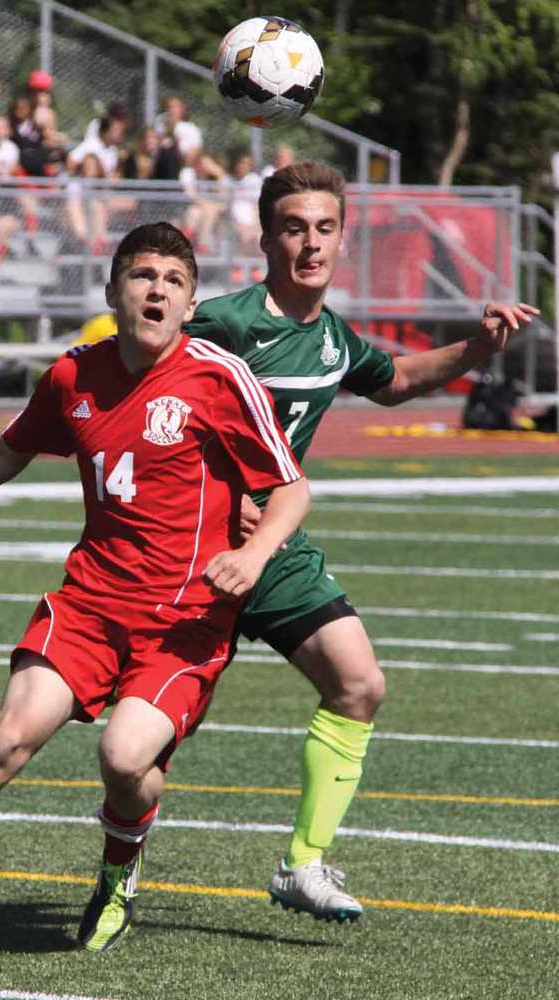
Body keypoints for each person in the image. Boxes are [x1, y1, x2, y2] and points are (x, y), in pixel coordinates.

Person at [0, 222, 308, 957]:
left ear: (192, 303)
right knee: (7, 737)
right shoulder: (75, 375)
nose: (156, 289)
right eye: (142, 275)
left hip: (184, 621)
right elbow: (3, 454)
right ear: (113, 293)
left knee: (126, 759)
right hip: (89, 606)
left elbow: (291, 489)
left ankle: (117, 873)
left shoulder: (219, 378)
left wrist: (257, 553)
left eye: (172, 280)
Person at [184, 159, 539, 923]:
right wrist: (206, 494)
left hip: (273, 550)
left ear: (342, 238)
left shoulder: (332, 337)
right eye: (293, 228)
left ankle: (303, 865)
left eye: (324, 229)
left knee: (359, 685)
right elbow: (146, 400)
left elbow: (398, 380)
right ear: (265, 235)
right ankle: (121, 867)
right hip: (187, 550)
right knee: (156, 732)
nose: (310, 244)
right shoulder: (223, 322)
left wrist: (479, 348)